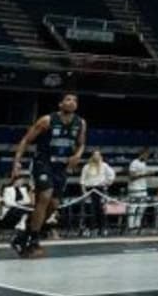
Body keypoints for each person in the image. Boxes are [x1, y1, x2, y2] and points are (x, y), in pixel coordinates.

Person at [11, 92, 86, 258]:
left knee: (54, 205)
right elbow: (26, 140)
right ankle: (34, 241)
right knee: (45, 196)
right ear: (60, 104)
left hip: (61, 167)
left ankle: (24, 235)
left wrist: (78, 155)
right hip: (43, 163)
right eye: (68, 99)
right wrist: (16, 162)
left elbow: (81, 144)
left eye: (75, 100)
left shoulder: (80, 123)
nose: (72, 102)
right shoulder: (47, 120)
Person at [79, 150, 115, 236]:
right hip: (89, 189)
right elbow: (82, 181)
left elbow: (111, 175)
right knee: (90, 210)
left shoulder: (104, 165)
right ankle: (90, 229)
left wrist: (106, 184)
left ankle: (102, 229)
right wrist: (84, 192)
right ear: (91, 156)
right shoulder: (86, 167)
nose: (97, 157)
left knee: (101, 210)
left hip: (100, 189)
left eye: (98, 155)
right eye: (95, 155)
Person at [127, 147, 151, 231]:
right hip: (134, 187)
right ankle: (131, 225)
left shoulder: (144, 163)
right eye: (147, 155)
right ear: (143, 154)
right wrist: (145, 175)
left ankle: (137, 224)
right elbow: (131, 176)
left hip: (143, 187)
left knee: (143, 206)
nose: (147, 157)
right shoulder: (134, 163)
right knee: (133, 206)